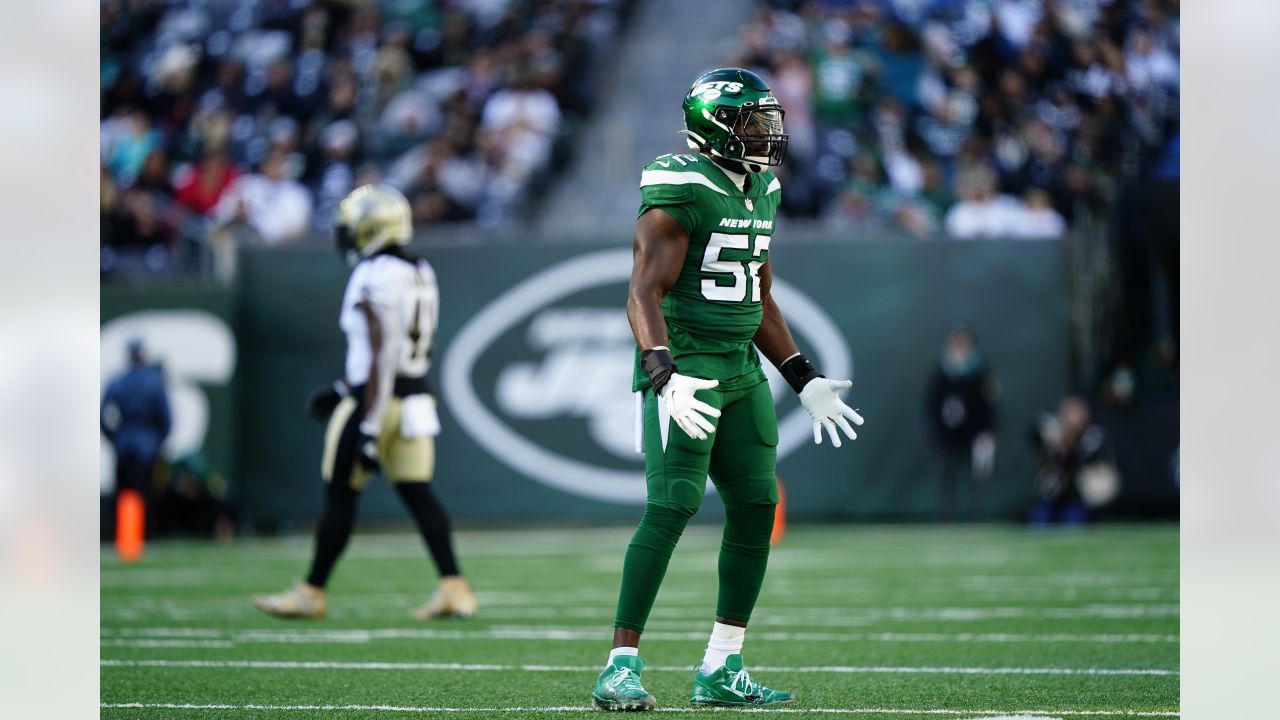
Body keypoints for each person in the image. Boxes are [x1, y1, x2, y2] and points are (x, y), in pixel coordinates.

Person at [590, 68, 865, 712]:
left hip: (741, 370)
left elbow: (757, 293)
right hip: (685, 368)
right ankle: (620, 665)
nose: (768, 134)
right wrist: (664, 376)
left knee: (756, 507)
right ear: (713, 128)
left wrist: (803, 375)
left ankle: (722, 666)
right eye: (752, 123)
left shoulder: (761, 187)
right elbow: (641, 292)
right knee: (673, 504)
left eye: (769, 120)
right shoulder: (680, 188)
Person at [253, 184, 476, 621]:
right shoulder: (420, 269)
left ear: (370, 229)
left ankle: (310, 591)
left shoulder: (374, 273)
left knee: (340, 495)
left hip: (375, 402)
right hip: (414, 399)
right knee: (419, 494)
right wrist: (340, 387)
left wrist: (369, 425)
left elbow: (382, 351)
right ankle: (455, 587)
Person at [925, 325, 998, 521]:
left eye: (963, 340)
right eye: (955, 340)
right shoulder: (941, 369)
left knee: (976, 471)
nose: (959, 345)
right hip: (949, 431)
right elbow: (932, 403)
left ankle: (976, 512)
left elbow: (989, 400)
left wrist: (988, 429)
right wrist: (938, 429)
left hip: (975, 429)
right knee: (949, 469)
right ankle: (947, 513)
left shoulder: (980, 369)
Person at [101, 339, 172, 529]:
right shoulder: (154, 382)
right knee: (145, 493)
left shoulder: (116, 382)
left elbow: (103, 415)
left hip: (123, 443)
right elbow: (166, 419)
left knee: (123, 493)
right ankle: (142, 535)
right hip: (147, 446)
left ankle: (124, 536)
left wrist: (114, 438)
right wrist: (157, 442)